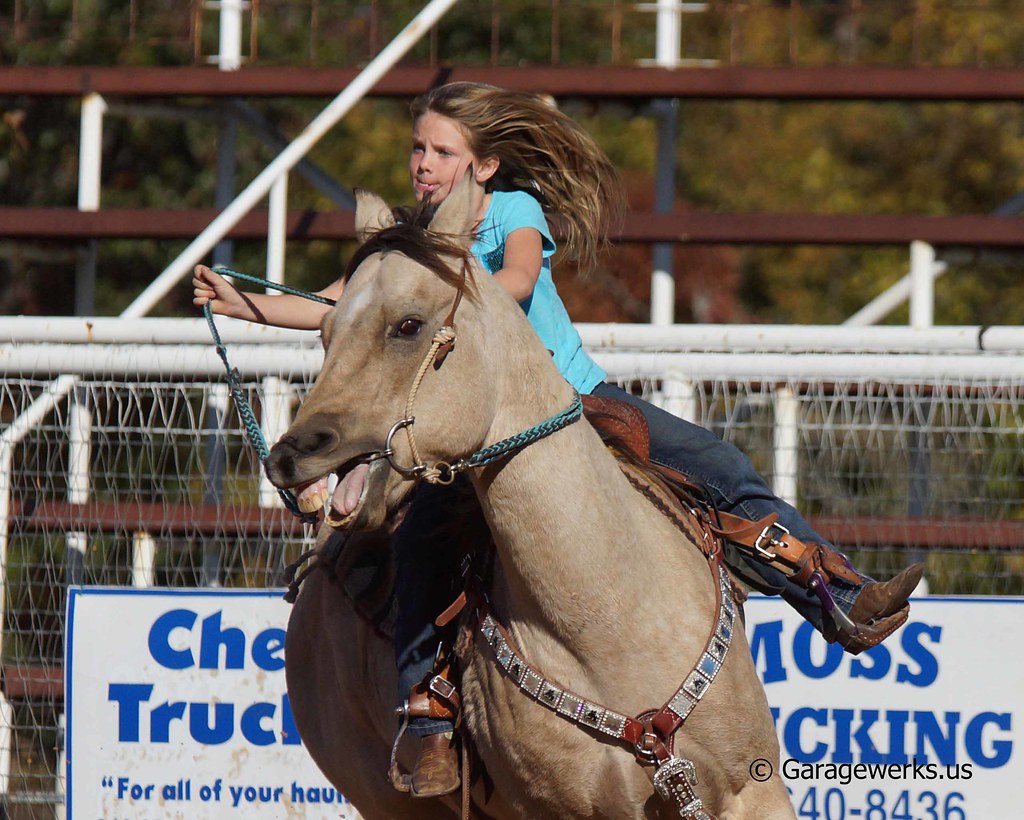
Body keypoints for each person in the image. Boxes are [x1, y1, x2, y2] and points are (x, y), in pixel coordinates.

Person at [194, 81, 922, 798]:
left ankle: (835, 591)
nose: (423, 162)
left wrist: (448, 285)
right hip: (473, 442)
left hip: (571, 400)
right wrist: (247, 304)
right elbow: (338, 303)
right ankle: (427, 707)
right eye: (418, 146)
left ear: (481, 166)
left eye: (442, 150)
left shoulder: (512, 211)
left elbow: (514, 277)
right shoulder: (415, 245)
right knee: (420, 545)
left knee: (713, 462)